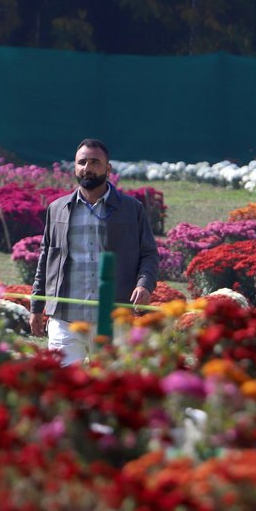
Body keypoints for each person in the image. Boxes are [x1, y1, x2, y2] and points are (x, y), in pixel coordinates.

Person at [30, 138, 159, 365]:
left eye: (95, 162)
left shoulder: (131, 209)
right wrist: (36, 307)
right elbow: (45, 258)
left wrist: (144, 284)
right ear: (75, 166)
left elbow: (149, 253)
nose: (87, 168)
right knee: (64, 390)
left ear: (108, 168)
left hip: (113, 320)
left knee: (111, 392)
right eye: (82, 162)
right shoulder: (57, 209)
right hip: (65, 319)